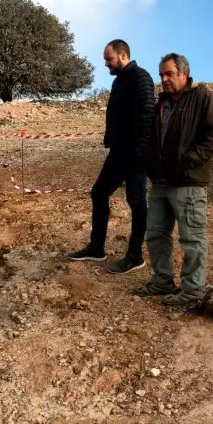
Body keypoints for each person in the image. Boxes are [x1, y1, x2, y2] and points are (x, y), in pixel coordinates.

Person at [133, 53, 213, 305]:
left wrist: (187, 162)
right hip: (161, 182)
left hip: (188, 183)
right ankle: (162, 281)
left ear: (184, 74)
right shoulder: (160, 103)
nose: (163, 79)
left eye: (169, 74)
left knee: (192, 238)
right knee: (155, 234)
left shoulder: (202, 97)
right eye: (161, 74)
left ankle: (193, 290)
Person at [69, 39, 155, 274]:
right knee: (99, 192)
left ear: (122, 55)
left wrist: (139, 151)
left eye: (109, 59)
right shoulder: (119, 81)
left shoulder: (141, 78)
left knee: (136, 202)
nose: (106, 64)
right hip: (119, 153)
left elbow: (148, 114)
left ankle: (135, 256)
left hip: (136, 154)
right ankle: (96, 248)